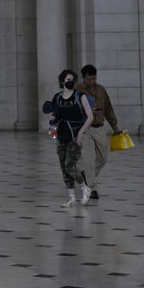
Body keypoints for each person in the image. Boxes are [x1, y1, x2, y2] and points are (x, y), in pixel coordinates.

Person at [42, 69, 95, 205]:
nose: (70, 82)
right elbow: (53, 118)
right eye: (68, 80)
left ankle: (85, 187)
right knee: (63, 168)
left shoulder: (80, 96)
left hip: (75, 135)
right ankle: (71, 196)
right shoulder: (57, 98)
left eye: (72, 80)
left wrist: (81, 133)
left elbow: (90, 117)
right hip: (61, 136)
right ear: (62, 81)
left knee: (69, 166)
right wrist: (52, 131)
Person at [77, 65, 118, 198]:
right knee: (89, 159)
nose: (92, 81)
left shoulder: (101, 89)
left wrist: (115, 127)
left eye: (94, 78)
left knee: (103, 158)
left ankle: (86, 174)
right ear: (84, 78)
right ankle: (91, 188)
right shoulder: (78, 91)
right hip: (85, 129)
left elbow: (108, 109)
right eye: (89, 79)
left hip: (100, 128)